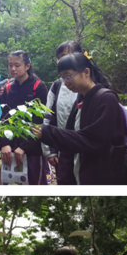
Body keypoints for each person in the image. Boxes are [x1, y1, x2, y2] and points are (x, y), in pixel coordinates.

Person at [30, 52, 127, 187]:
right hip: (78, 176)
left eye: (69, 76)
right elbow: (70, 145)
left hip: (101, 177)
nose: (66, 82)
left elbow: (93, 140)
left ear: (86, 72)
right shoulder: (81, 99)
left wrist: (48, 133)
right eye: (63, 78)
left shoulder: (106, 99)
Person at [0, 51, 50, 187]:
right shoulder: (7, 88)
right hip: (9, 149)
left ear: (27, 66)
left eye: (17, 65)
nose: (13, 69)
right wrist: (3, 143)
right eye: (10, 65)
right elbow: (1, 118)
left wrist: (24, 147)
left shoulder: (39, 87)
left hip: (32, 150)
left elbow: (39, 121)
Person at [47, 41, 85, 181]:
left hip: (85, 151)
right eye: (59, 57)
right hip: (63, 150)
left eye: (67, 55)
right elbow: (49, 117)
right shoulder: (57, 86)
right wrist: (50, 151)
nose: (62, 60)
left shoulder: (92, 86)